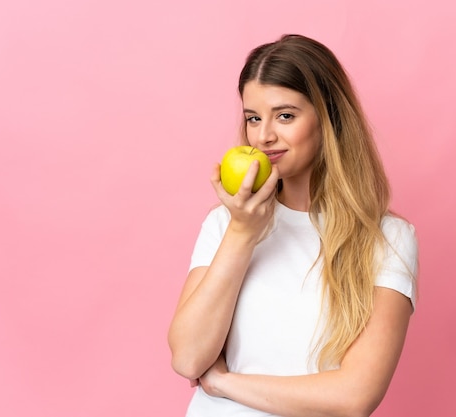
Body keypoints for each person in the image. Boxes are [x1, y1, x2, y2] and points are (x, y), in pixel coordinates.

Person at [168, 34, 418, 417]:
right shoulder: (224, 224)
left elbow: (355, 397)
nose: (264, 135)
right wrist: (242, 233)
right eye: (254, 118)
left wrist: (223, 383)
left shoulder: (387, 239)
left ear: (329, 117)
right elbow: (187, 358)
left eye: (285, 115)